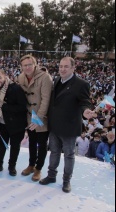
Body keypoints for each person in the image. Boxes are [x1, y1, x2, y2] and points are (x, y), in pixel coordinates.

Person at [39, 57, 94, 193]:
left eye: (66, 67)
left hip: (69, 127)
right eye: (61, 66)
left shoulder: (82, 84)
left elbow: (84, 101)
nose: (62, 69)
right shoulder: (56, 80)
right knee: (54, 152)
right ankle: (51, 176)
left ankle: (66, 181)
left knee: (69, 155)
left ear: (73, 68)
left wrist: (86, 110)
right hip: (54, 125)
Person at [17, 55, 53, 182]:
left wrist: (38, 118)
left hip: (42, 117)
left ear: (35, 64)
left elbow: (46, 99)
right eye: (24, 65)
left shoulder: (45, 77)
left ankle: (38, 168)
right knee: (32, 142)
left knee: (42, 144)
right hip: (28, 116)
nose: (27, 67)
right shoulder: (21, 77)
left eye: (29, 65)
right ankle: (31, 165)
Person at [0, 69, 28, 176]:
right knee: (1, 145)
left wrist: (6, 107)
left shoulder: (15, 88)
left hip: (16, 125)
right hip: (1, 123)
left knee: (15, 146)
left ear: (5, 77)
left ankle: (12, 166)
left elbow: (22, 107)